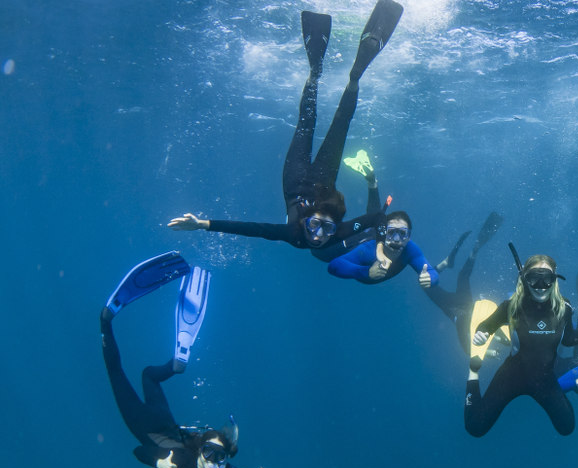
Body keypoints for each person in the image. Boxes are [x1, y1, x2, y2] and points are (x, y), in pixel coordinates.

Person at [167, 1, 405, 263]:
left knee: (306, 121)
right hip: (325, 179)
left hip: (294, 180)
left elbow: (253, 230)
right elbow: (378, 218)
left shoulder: (293, 233)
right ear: (336, 226)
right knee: (341, 124)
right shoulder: (338, 233)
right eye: (322, 227)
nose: (318, 236)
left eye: (319, 227)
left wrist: (203, 223)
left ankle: (314, 74)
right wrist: (381, 247)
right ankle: (355, 76)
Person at [100, 252, 269, 468]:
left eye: (219, 457)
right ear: (201, 450)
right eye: (211, 454)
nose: (215, 461)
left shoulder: (214, 467)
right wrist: (157, 462)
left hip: (163, 420)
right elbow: (139, 451)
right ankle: (105, 322)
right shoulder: (181, 465)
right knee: (116, 372)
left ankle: (175, 366)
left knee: (148, 375)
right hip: (144, 422)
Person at [465, 254, 578, 437]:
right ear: (525, 279)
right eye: (534, 278)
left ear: (554, 280)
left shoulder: (564, 307)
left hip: (544, 378)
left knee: (567, 428)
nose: (541, 286)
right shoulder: (511, 306)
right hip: (512, 374)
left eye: (547, 279)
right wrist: (482, 334)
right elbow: (485, 325)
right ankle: (473, 371)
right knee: (475, 427)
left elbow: (568, 339)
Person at [423, 212, 504, 354]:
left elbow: (468, 348)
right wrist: (491, 352)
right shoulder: (464, 324)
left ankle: (464, 256)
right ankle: (461, 257)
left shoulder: (466, 324)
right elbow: (467, 348)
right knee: (452, 279)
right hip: (456, 304)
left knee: (461, 277)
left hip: (459, 302)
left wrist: (491, 352)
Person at [326, 211, 438, 287]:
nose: (396, 239)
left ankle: (372, 185)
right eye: (391, 232)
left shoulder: (410, 249)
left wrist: (430, 278)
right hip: (347, 246)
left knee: (376, 212)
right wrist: (367, 272)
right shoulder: (368, 249)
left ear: (409, 237)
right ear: (383, 234)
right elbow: (333, 265)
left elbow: (432, 272)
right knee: (319, 252)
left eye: (402, 233)